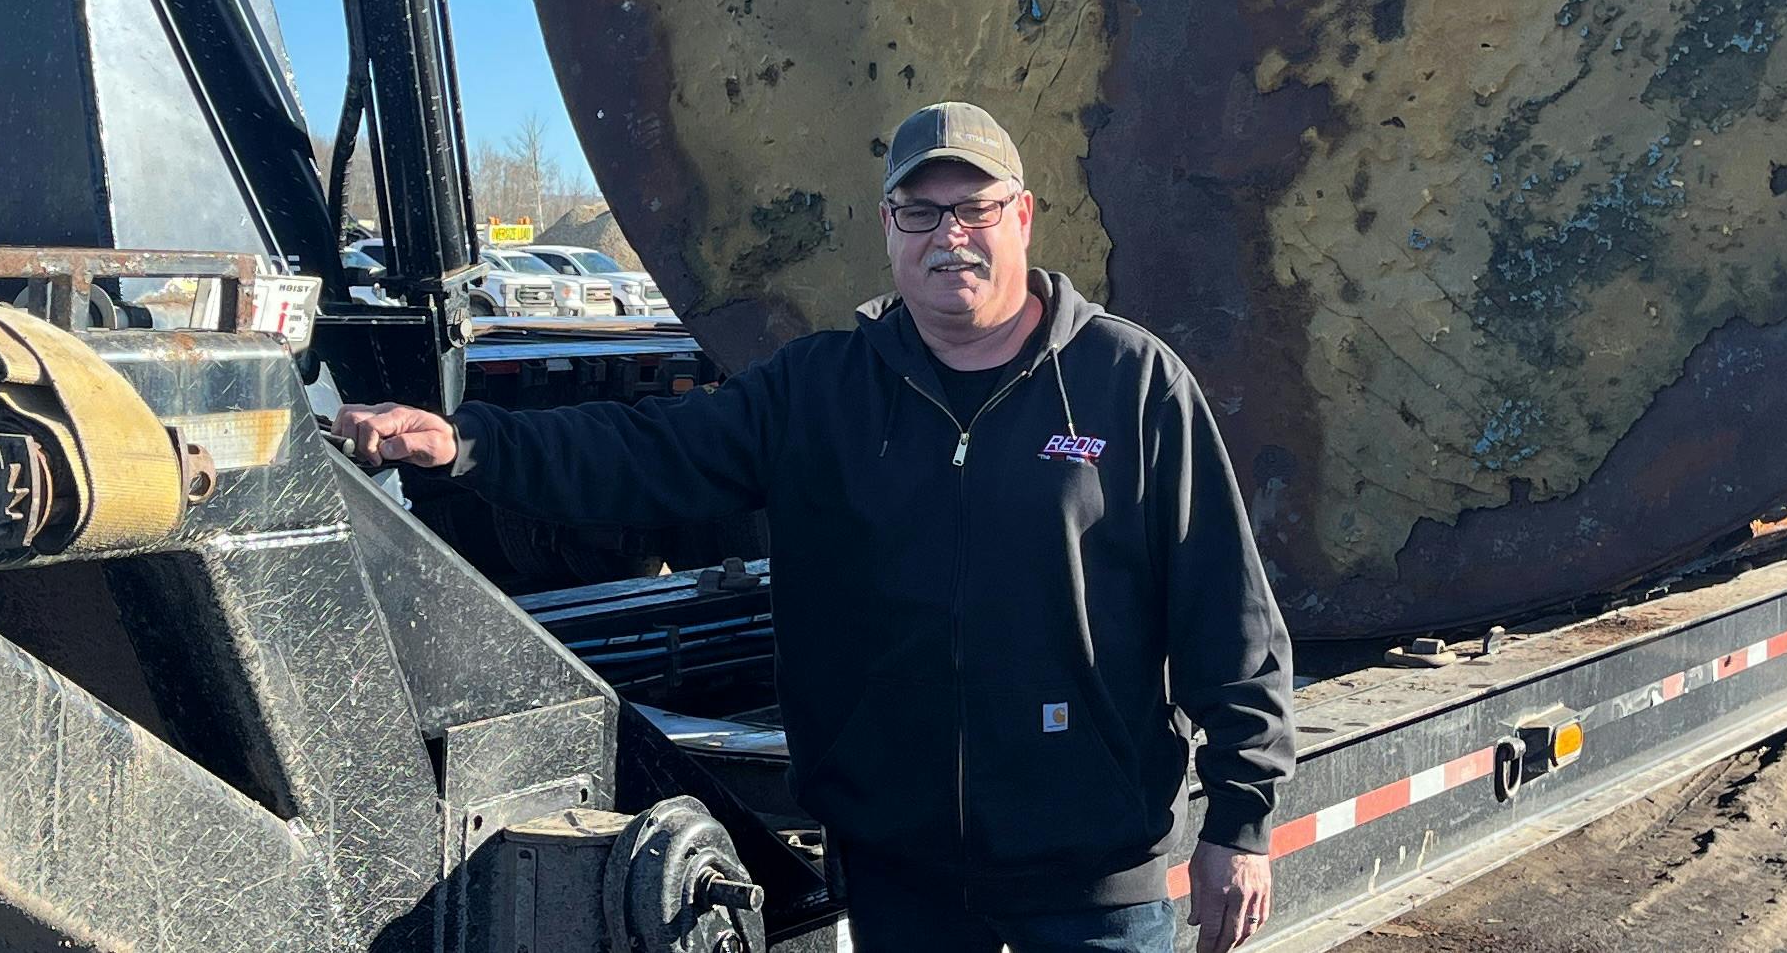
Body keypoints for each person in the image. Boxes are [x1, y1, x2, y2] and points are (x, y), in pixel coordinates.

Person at [336, 101, 1293, 953]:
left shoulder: (1130, 384)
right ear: (888, 229)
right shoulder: (821, 389)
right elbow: (647, 453)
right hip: (901, 873)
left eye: (976, 209)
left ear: (1024, 217)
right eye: (921, 213)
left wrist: (1241, 820)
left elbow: (1225, 610)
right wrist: (469, 443)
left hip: (1091, 878)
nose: (949, 236)